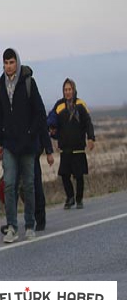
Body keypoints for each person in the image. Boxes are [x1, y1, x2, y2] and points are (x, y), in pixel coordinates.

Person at [0, 49, 50, 243]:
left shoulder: (28, 82)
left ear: (17, 63)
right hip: (9, 143)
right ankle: (11, 226)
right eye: (6, 63)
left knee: (28, 185)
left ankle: (29, 225)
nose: (9, 66)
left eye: (12, 62)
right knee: (9, 184)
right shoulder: (0, 84)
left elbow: (40, 113)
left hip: (28, 144)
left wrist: (30, 133)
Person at [50, 78, 95, 209]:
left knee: (79, 175)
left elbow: (88, 122)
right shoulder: (59, 105)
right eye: (65, 90)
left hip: (78, 147)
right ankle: (70, 197)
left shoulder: (81, 104)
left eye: (69, 89)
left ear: (74, 90)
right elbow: (52, 118)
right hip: (65, 147)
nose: (67, 92)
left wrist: (91, 138)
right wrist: (51, 127)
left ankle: (79, 199)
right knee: (64, 175)